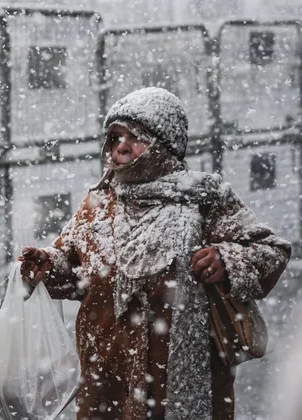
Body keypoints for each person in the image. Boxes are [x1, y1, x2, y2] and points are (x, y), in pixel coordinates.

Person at [18, 87, 291, 420]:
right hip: (108, 378)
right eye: (115, 137)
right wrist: (47, 264)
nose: (122, 146)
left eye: (136, 137)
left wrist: (226, 260)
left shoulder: (202, 199)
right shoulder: (98, 205)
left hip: (178, 377)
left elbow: (270, 250)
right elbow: (75, 267)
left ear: (165, 144)